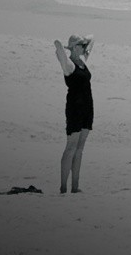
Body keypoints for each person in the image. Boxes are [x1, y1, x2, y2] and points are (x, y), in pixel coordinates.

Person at [53, 35, 94, 193]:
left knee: (80, 148)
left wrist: (84, 45)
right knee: (71, 147)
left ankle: (75, 187)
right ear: (75, 47)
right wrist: (62, 46)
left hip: (87, 107)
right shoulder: (69, 65)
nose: (85, 47)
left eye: (84, 45)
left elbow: (93, 38)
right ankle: (63, 187)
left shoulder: (82, 62)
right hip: (75, 108)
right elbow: (60, 52)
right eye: (81, 45)